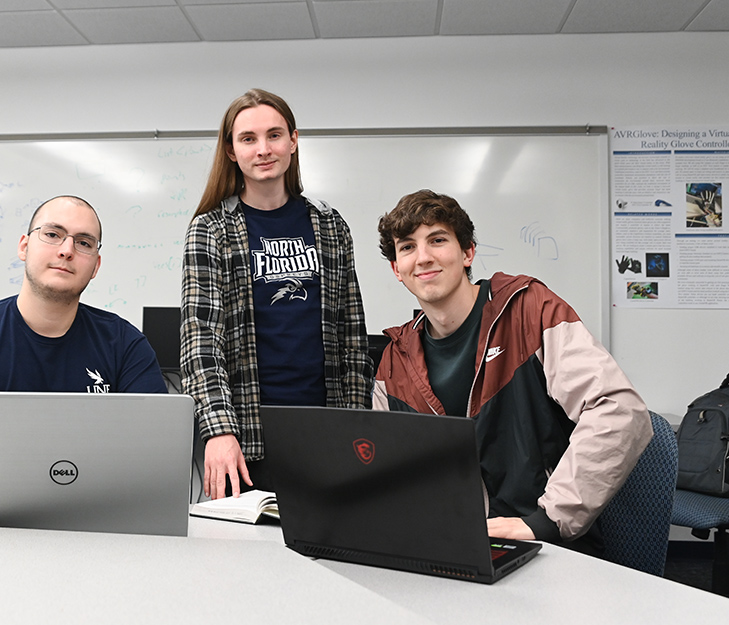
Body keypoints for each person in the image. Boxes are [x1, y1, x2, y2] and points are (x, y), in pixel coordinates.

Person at [374, 189, 653, 553]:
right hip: (450, 549)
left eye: (438, 240)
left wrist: (548, 520)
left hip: (542, 544)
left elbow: (620, 410)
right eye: (407, 247)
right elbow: (389, 470)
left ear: (468, 251)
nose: (423, 257)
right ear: (397, 268)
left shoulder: (529, 310)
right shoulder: (394, 360)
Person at [181, 89, 372, 500]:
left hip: (328, 433)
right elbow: (200, 343)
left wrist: (356, 428)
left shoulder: (329, 225)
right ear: (231, 151)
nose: (263, 149)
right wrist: (219, 431)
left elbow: (353, 335)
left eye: (274, 135)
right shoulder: (211, 230)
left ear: (293, 141)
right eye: (248, 138)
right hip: (246, 437)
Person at [0, 195, 167, 493]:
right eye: (52, 234)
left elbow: (157, 463)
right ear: (24, 246)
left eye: (84, 242)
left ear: (96, 266)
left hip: (94, 521)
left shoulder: (126, 345)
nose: (67, 250)